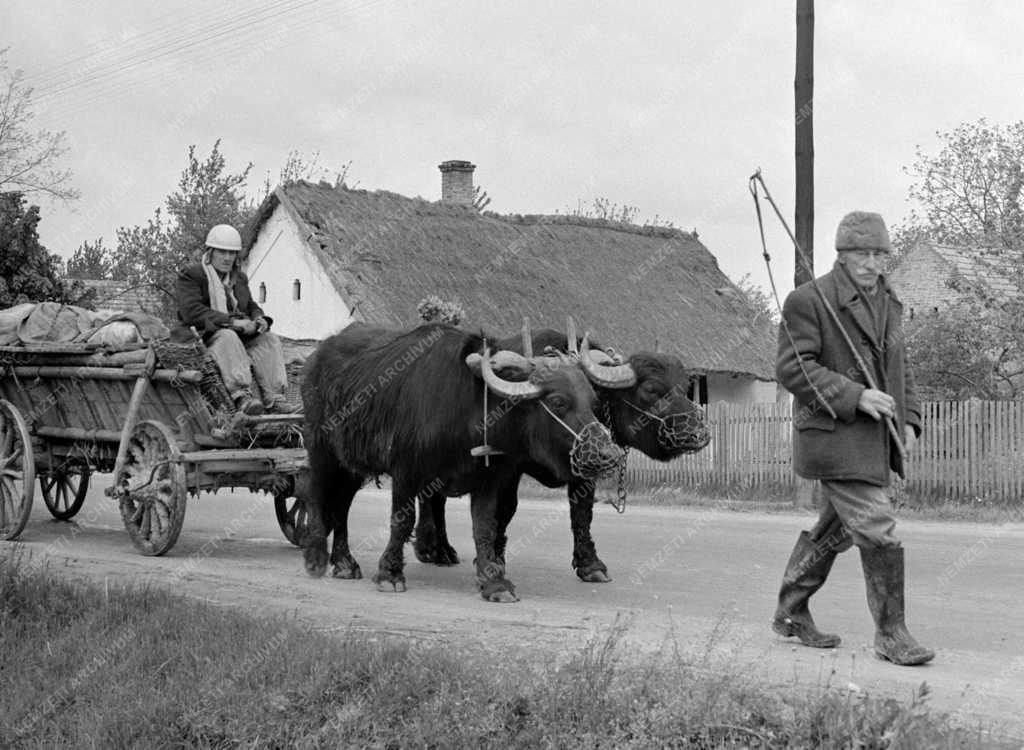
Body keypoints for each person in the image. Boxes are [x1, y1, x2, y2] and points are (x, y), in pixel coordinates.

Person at [772, 210, 934, 666]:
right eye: (860, 254)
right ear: (840, 256)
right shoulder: (809, 300)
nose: (870, 263)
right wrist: (855, 395)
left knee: (833, 531)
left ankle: (789, 610)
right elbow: (792, 367)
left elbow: (901, 371)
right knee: (876, 526)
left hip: (875, 440)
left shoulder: (890, 302)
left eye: (878, 253)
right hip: (833, 437)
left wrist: (910, 419)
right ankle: (891, 634)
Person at [176, 224, 299, 416]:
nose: (227, 258)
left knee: (270, 340)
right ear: (210, 252)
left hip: (238, 336)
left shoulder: (238, 278)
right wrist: (231, 322)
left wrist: (259, 318)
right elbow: (191, 313)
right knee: (227, 336)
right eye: (222, 252)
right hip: (204, 335)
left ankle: (275, 399)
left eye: (231, 253)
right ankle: (242, 396)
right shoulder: (192, 275)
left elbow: (250, 305)